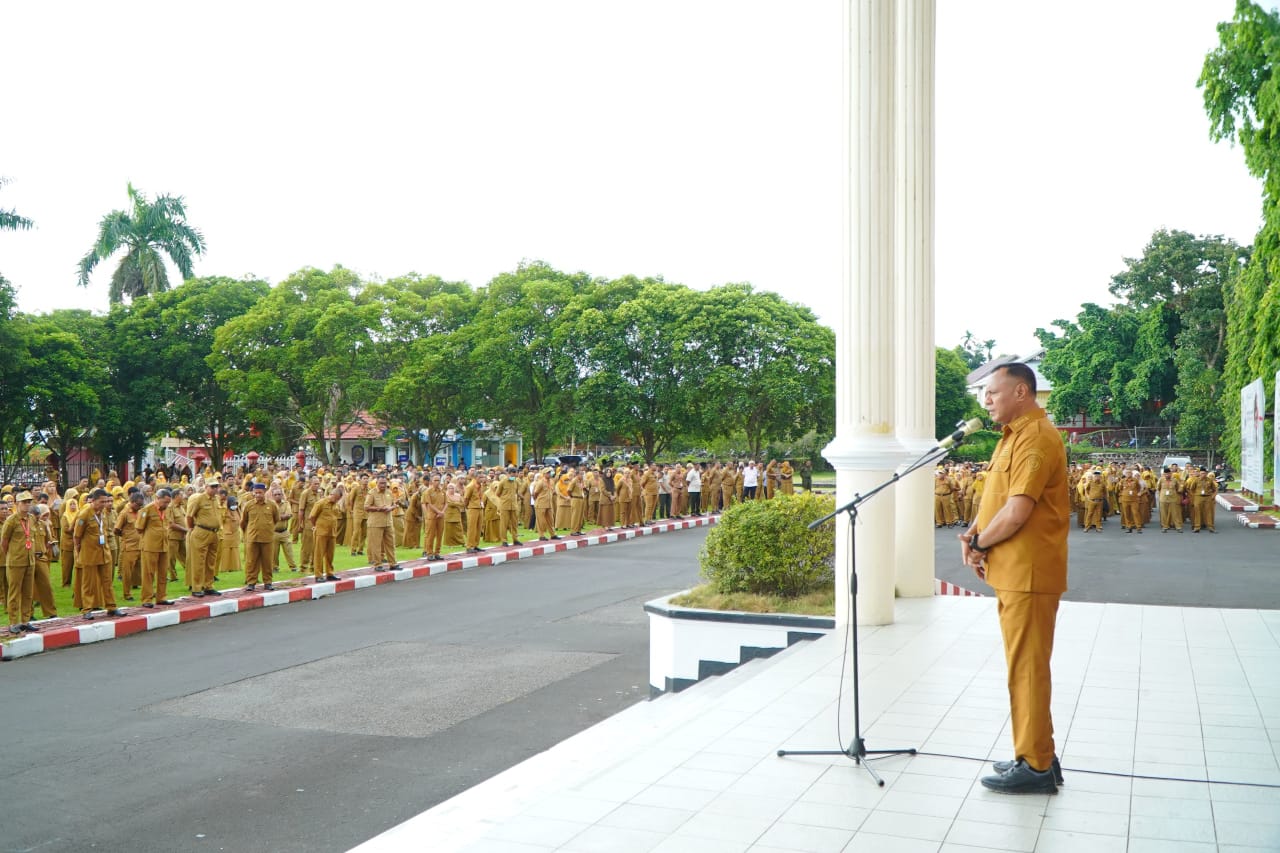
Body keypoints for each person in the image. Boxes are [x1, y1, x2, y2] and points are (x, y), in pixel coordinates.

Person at [959, 362, 1068, 794]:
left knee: (1027, 670)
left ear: (1021, 392)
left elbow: (1018, 511)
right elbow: (999, 499)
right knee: (1024, 667)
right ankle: (1038, 753)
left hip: (1029, 572)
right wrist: (974, 531)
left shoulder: (1036, 437)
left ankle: (1035, 766)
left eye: (992, 392)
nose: (986, 400)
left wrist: (979, 543)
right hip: (1013, 571)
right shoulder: (1012, 436)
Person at [75, 488, 126, 619]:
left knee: (107, 582)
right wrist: (79, 550)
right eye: (101, 502)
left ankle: (111, 607)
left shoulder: (102, 513)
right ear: (93, 500)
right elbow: (77, 535)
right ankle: (87, 609)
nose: (104, 504)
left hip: (104, 553)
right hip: (90, 554)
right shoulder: (84, 514)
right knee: (89, 583)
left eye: (105, 501)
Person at [2, 491, 39, 634]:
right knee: (14, 593)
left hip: (30, 561)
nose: (27, 504)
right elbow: (4, 542)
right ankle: (13, 622)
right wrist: (12, 555)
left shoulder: (31, 518)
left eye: (29, 502)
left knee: (28, 593)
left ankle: (25, 620)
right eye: (24, 502)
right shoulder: (11, 520)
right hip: (16, 562)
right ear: (17, 504)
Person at [135, 488, 176, 607]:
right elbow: (139, 528)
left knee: (163, 573)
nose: (166, 504)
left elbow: (168, 523)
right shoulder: (146, 510)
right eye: (165, 502)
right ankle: (147, 599)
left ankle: (161, 597)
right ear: (157, 498)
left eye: (168, 502)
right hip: (150, 546)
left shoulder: (167, 510)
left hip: (164, 545)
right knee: (148, 574)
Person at [309, 483, 343, 582]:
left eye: (338, 499)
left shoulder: (336, 505)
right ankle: (318, 575)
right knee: (319, 554)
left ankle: (330, 573)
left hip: (332, 532)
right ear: (331, 494)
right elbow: (312, 516)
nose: (336, 500)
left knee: (330, 554)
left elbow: (336, 515)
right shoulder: (321, 503)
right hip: (321, 532)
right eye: (335, 498)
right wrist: (315, 526)